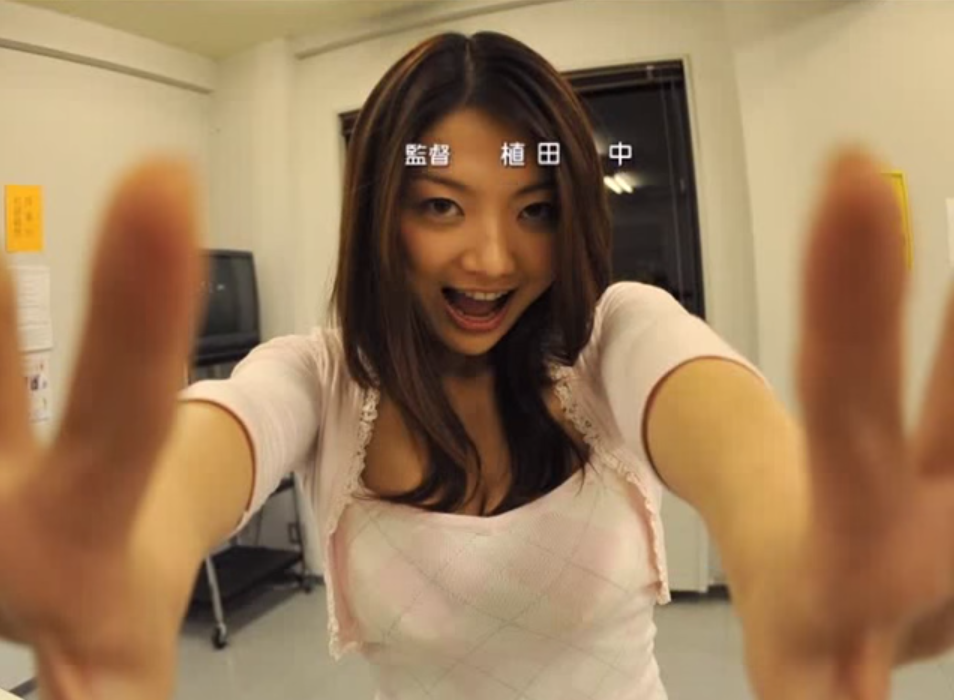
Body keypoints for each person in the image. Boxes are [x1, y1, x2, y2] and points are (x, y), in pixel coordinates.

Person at [0, 30, 952, 700]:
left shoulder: (613, 334)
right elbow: (227, 429)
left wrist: (790, 537)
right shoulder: (320, 380)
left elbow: (727, 431)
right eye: (441, 206)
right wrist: (131, 538)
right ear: (380, 216)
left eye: (535, 210)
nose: (493, 259)